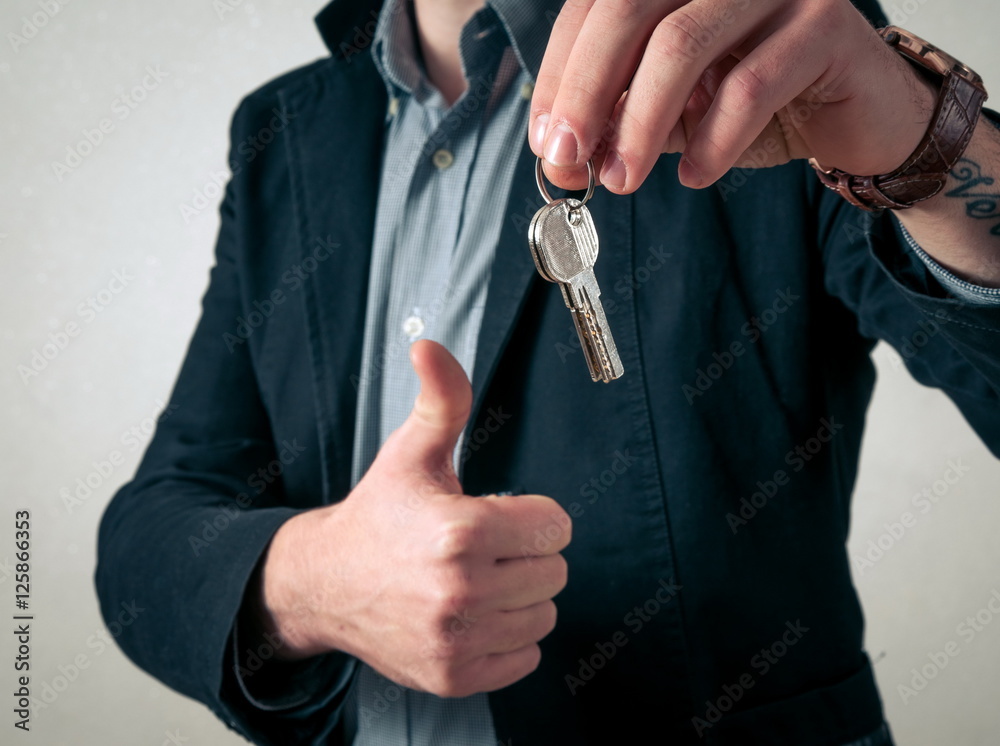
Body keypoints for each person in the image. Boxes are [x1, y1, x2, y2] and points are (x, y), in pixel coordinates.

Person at [95, 0, 1000, 743]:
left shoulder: (760, 47)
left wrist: (923, 139)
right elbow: (150, 536)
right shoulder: (284, 128)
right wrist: (312, 582)